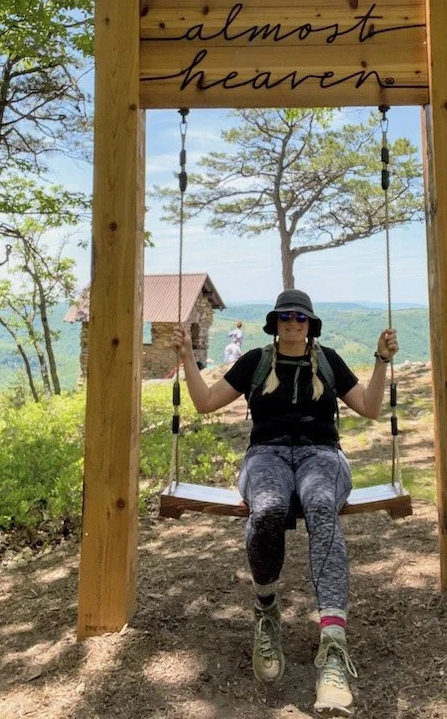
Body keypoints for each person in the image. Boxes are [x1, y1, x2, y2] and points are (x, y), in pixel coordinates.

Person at [172, 289, 398, 717]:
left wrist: (381, 360)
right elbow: (204, 403)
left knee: (321, 505)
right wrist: (186, 357)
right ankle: (266, 609)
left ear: (310, 325)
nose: (293, 323)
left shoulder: (328, 361)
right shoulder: (255, 362)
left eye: (300, 317)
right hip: (266, 455)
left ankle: (333, 649)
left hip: (322, 455)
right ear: (274, 323)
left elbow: (369, 407)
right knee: (269, 507)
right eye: (285, 316)